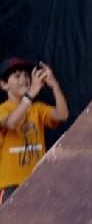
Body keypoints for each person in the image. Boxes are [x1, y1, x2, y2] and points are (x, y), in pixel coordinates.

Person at [0, 56, 68, 202]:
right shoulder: (2, 110)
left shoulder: (36, 109)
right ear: (4, 85)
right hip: (11, 186)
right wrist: (30, 93)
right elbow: (11, 123)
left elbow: (62, 115)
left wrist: (54, 85)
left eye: (26, 75)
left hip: (38, 182)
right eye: (17, 76)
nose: (24, 79)